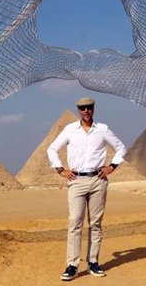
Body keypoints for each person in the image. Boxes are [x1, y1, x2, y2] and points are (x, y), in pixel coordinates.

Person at [47, 97, 127, 281]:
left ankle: (93, 262)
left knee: (96, 224)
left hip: (98, 180)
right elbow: (52, 149)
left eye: (89, 108)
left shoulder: (102, 129)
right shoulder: (70, 130)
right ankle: (72, 265)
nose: (86, 111)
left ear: (93, 109)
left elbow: (121, 148)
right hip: (77, 181)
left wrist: (112, 167)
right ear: (78, 110)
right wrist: (60, 170)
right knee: (75, 222)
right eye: (82, 108)